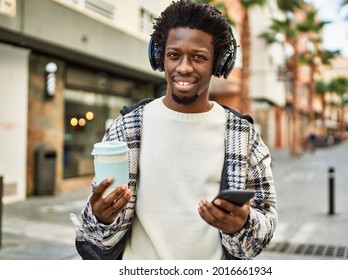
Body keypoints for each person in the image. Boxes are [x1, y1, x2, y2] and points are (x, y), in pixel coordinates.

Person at [71, 0, 277, 260]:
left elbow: (267, 220)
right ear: (160, 58)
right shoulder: (128, 127)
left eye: (199, 57)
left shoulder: (243, 136)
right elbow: (95, 237)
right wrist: (100, 216)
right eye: (173, 55)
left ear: (218, 64)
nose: (183, 67)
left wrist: (242, 225)